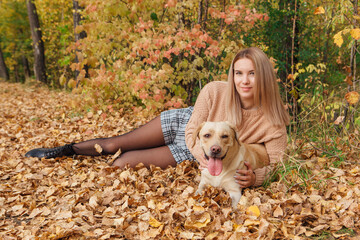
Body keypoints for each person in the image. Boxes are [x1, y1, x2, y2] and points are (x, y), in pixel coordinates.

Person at [25, 47, 289, 188]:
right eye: (239, 73)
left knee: (121, 164)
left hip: (199, 152)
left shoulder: (273, 120)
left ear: (263, 76)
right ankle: (65, 150)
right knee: (115, 145)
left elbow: (279, 163)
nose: (244, 80)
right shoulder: (215, 90)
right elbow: (191, 130)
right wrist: (207, 159)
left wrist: (256, 178)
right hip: (188, 131)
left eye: (252, 73)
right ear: (232, 75)